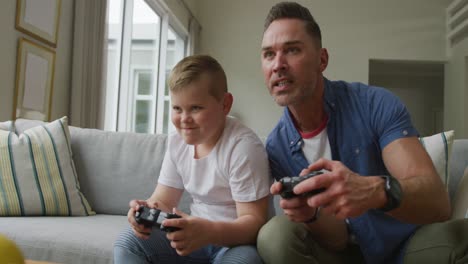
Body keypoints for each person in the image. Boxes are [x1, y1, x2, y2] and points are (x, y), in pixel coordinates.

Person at [256, 2, 468, 264]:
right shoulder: (276, 146)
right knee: (274, 236)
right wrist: (311, 217)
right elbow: (338, 239)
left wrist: (374, 191)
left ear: (322, 60)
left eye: (292, 50)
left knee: (459, 238)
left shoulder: (373, 104)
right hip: (340, 255)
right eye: (268, 54)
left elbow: (437, 203)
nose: (278, 65)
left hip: (404, 246)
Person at [114, 55, 271, 264]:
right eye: (177, 108)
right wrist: (145, 212)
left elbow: (253, 224)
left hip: (234, 243)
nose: (184, 119)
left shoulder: (243, 147)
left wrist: (208, 231)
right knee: (127, 243)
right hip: (193, 237)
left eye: (195, 108)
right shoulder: (177, 142)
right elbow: (163, 200)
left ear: (225, 104)